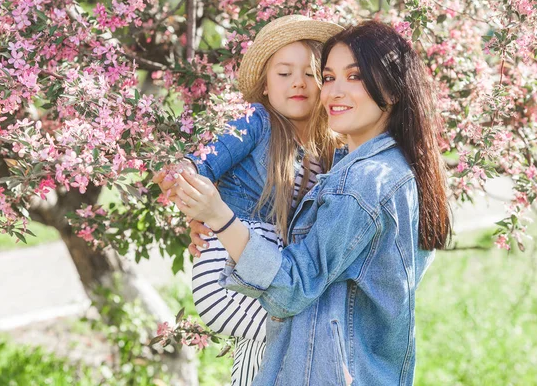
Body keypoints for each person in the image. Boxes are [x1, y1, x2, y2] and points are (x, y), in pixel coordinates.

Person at [169, 20, 452, 385]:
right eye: (330, 77)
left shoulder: (359, 181)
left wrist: (220, 218)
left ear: (392, 89)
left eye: (354, 76)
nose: (334, 90)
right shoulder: (395, 167)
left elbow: (290, 289)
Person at [152, 15, 343, 386]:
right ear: (266, 85)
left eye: (311, 73)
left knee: (267, 357)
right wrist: (195, 205)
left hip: (271, 272)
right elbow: (198, 165)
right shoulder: (256, 120)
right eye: (284, 73)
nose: (299, 83)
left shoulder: (331, 145)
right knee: (305, 336)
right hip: (228, 272)